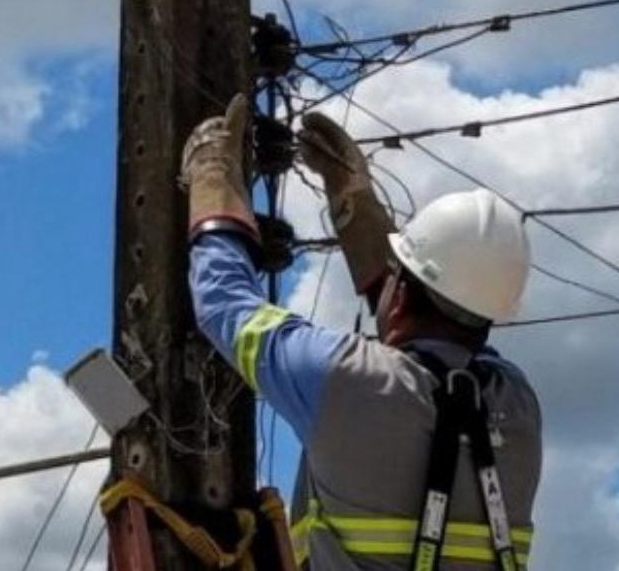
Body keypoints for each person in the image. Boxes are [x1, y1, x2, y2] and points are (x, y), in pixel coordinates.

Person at [183, 95, 542, 570]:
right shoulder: (517, 406)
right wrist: (356, 208)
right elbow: (440, 326)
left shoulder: (344, 378)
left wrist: (210, 180)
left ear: (399, 293)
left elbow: (225, 303)